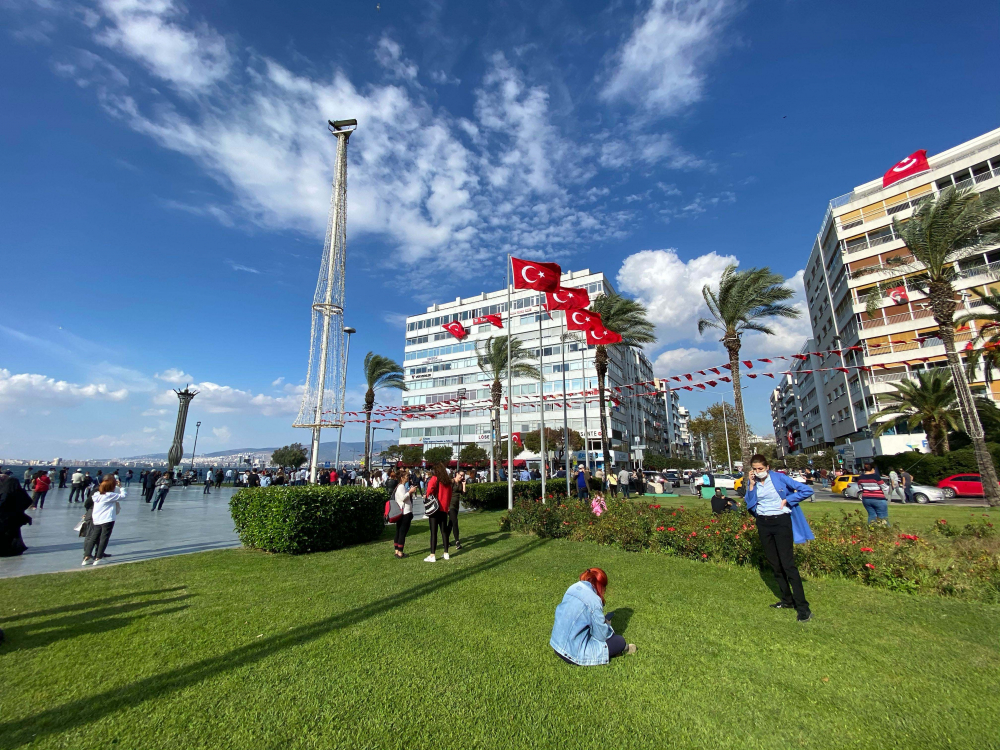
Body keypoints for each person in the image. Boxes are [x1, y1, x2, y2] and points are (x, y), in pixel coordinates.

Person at [744, 454, 814, 623]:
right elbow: (749, 502)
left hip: (781, 522)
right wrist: (751, 486)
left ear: (767, 467)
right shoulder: (752, 482)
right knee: (775, 565)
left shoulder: (779, 478)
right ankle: (787, 600)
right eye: (755, 469)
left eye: (760, 468)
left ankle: (803, 607)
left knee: (788, 564)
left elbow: (806, 490)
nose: (758, 471)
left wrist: (788, 500)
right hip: (763, 523)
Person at [549, 568, 636, 666]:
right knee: (619, 641)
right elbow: (601, 636)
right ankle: (625, 648)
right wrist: (607, 626)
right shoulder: (594, 600)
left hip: (556, 645)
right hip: (572, 653)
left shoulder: (573, 587)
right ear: (600, 585)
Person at [82, 475, 126, 565]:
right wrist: (121, 487)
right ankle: (98, 558)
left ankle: (87, 557)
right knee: (104, 538)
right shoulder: (110, 495)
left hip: (97, 519)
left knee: (93, 538)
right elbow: (124, 496)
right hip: (107, 519)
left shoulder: (96, 495)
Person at [423, 463, 453, 563]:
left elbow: (429, 491)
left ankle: (432, 555)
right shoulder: (447, 482)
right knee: (444, 531)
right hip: (444, 509)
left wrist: (427, 496)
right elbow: (449, 496)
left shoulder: (434, 479)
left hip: (435, 508)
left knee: (433, 532)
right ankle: (446, 553)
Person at [0, 473, 33, 556]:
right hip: (16, 516)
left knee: (6, 534)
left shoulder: (5, 492)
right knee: (15, 533)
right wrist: (20, 509)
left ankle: (6, 550)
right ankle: (16, 549)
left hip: (5, 517)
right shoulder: (20, 492)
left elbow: (2, 504)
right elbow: (29, 501)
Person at [388, 470, 417, 558]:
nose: (408, 478)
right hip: (405, 512)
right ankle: (400, 551)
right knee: (402, 532)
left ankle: (397, 550)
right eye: (406, 476)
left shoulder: (400, 487)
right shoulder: (401, 487)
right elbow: (402, 498)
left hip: (403, 511)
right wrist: (410, 492)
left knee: (399, 531)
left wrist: (409, 492)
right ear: (401, 478)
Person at [449, 470, 467, 551]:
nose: (462, 477)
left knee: (451, 523)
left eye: (463, 476)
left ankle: (445, 540)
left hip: (456, 506)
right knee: (455, 522)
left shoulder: (460, 483)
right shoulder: (451, 482)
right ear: (456, 474)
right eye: (461, 475)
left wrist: (464, 485)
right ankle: (457, 541)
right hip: (450, 505)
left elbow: (463, 494)